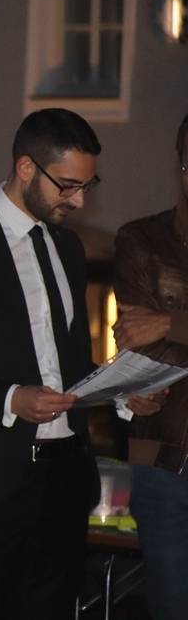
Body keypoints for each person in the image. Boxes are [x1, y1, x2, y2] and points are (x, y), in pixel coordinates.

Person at [0, 108, 161, 620]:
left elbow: (65, 365)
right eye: (67, 185)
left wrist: (120, 391)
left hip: (64, 481)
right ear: (25, 167)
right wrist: (9, 399)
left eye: (87, 186)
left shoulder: (68, 247)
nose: (79, 200)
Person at [112, 113, 188, 620]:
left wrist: (168, 322)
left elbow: (155, 333)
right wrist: (136, 384)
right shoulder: (142, 240)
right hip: (161, 456)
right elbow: (138, 344)